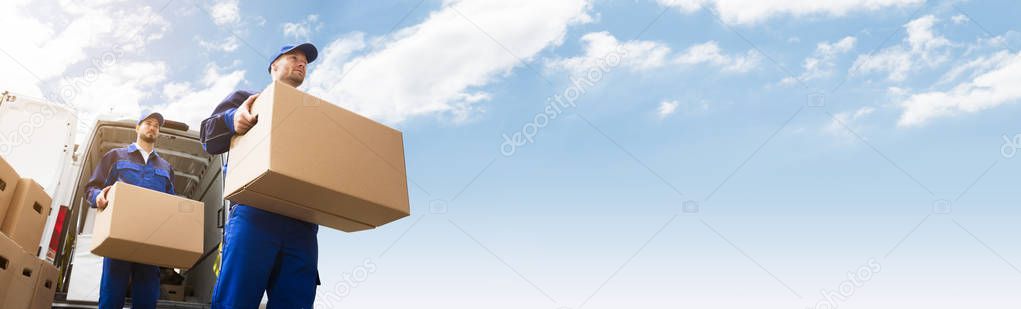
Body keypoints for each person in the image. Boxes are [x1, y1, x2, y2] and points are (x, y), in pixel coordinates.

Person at [200, 43, 320, 308]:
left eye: (305, 62)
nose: (302, 63)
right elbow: (208, 138)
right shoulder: (248, 99)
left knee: (296, 302)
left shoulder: (313, 114)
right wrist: (234, 119)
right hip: (254, 213)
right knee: (236, 300)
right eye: (294, 57)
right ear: (273, 66)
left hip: (303, 223)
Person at [84, 112, 177, 309]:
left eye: (157, 126)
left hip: (151, 241)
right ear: (137, 127)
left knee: (146, 300)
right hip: (118, 237)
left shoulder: (166, 167)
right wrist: (99, 196)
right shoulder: (115, 157)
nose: (152, 128)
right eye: (148, 123)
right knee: (111, 297)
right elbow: (91, 188)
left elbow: (171, 203)